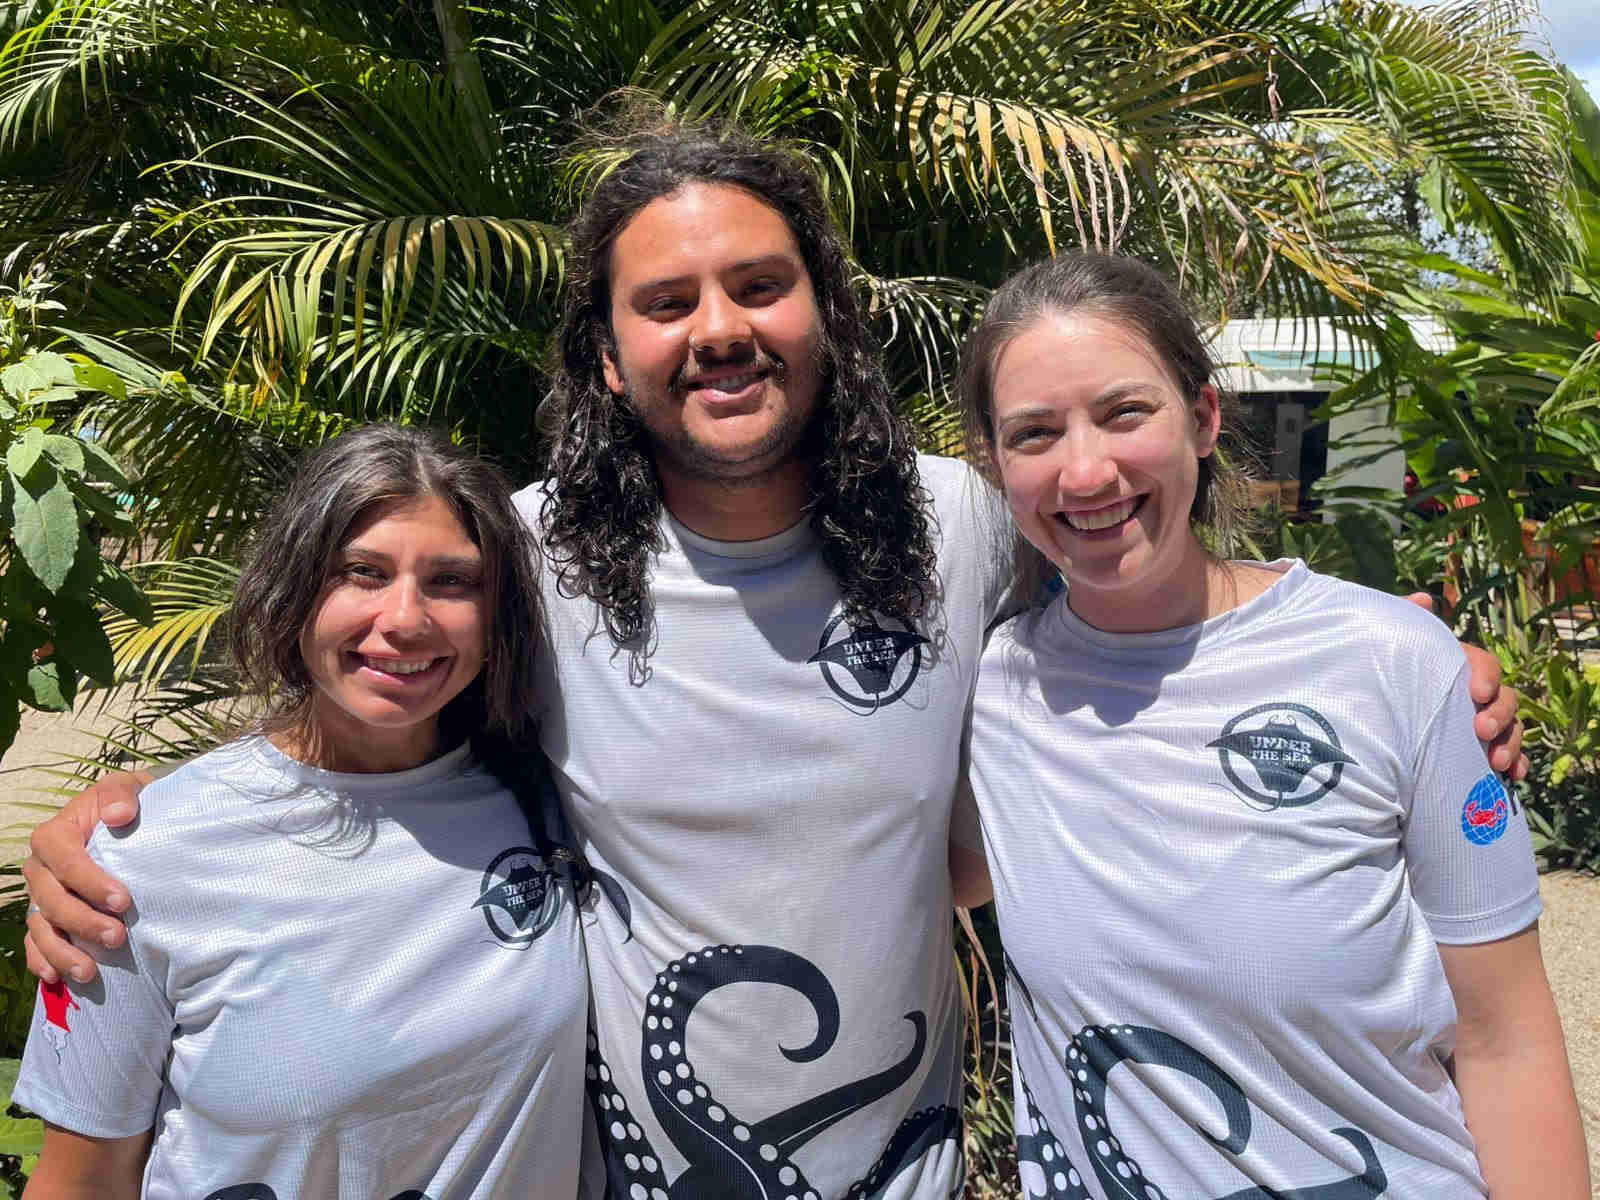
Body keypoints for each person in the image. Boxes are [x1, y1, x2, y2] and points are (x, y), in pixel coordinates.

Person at [18, 117, 1526, 1198]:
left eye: (758, 284)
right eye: (665, 303)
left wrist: (1402, 679)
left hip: (907, 1166)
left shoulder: (960, 526)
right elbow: (368, 726)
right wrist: (130, 822)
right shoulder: (527, 560)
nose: (718, 329)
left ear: (825, 314)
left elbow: (1154, 627)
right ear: (607, 354)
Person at [953, 252, 1588, 1199]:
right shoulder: (998, 684)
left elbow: (1507, 1041)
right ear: (995, 463)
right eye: (1035, 433)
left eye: (1125, 413)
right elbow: (913, 869)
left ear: (1203, 418)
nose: (1085, 471)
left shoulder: (1394, 663)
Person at [15, 425, 587, 1200]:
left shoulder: (551, 798)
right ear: (295, 586)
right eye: (362, 572)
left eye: (453, 581)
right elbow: (80, 1184)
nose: (405, 618)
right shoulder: (138, 859)